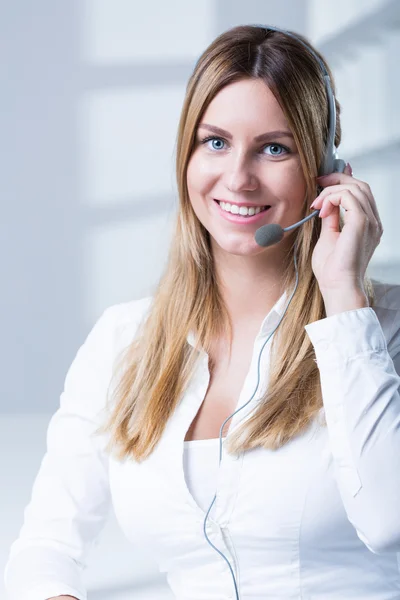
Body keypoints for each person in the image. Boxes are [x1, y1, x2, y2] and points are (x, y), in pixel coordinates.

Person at [4, 24, 400, 600]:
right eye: (215, 142)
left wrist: (342, 296)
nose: (237, 177)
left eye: (274, 147)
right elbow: (44, 548)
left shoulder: (379, 332)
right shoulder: (124, 341)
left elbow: (391, 524)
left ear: (325, 168)